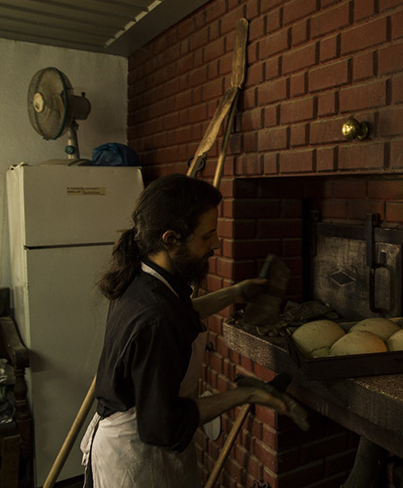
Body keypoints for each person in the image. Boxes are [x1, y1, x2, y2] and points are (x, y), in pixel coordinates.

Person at [80, 174, 307, 487]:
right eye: (207, 236)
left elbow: (179, 312)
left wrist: (235, 292)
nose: (215, 244)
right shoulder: (156, 318)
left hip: (142, 439)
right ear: (170, 239)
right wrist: (247, 393)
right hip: (137, 459)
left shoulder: (145, 278)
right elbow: (163, 426)